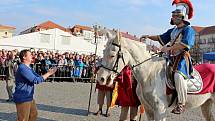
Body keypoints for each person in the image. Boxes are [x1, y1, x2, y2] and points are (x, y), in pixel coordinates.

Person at [140, 0, 195, 114]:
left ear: (181, 18)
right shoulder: (173, 30)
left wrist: (168, 48)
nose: (173, 18)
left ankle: (181, 103)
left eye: (175, 16)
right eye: (173, 16)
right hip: (171, 58)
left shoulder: (188, 30)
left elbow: (185, 44)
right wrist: (148, 36)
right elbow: (161, 37)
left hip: (182, 58)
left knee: (178, 76)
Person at [13, 49, 57, 121]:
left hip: (29, 96)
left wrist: (49, 72)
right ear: (24, 57)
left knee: (33, 115)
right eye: (30, 55)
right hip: (22, 97)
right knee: (23, 119)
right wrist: (49, 73)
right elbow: (36, 80)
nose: (32, 56)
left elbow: (38, 77)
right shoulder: (22, 68)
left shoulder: (28, 67)